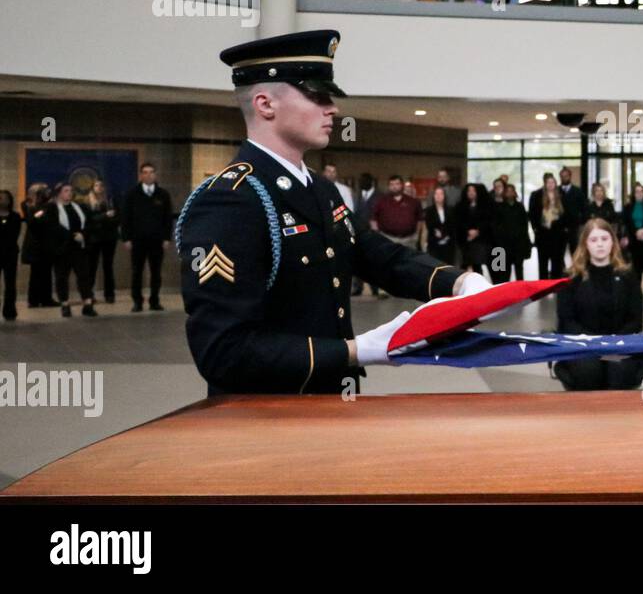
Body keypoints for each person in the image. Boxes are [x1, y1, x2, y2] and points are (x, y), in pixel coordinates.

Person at [176, 30, 488, 395]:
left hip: (329, 403)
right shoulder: (230, 200)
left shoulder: (320, 190)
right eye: (316, 95)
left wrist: (460, 283)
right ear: (265, 105)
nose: (333, 108)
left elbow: (376, 254)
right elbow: (222, 352)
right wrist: (356, 351)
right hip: (266, 419)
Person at [552, 219, 643, 391]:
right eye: (594, 240)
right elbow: (567, 321)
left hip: (618, 345)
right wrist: (594, 344)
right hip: (583, 347)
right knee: (589, 371)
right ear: (585, 244)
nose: (600, 244)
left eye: (604, 239)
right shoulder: (571, 278)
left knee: (619, 370)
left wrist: (611, 344)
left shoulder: (627, 276)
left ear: (613, 242)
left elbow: (635, 320)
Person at [120, 162, 172, 312]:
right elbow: (125, 218)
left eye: (151, 172)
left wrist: (167, 238)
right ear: (141, 175)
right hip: (137, 241)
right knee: (137, 272)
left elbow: (167, 218)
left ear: (155, 175)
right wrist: (126, 238)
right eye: (145, 172)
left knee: (156, 272)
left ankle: (154, 301)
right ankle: (137, 301)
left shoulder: (163, 194)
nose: (148, 175)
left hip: (157, 241)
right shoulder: (132, 194)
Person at [47, 183, 96, 318]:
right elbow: (53, 227)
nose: (69, 193)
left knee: (84, 276)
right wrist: (71, 236)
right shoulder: (52, 208)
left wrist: (83, 234)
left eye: (71, 191)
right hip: (62, 249)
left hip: (79, 248)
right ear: (59, 193)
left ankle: (87, 304)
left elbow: (89, 223)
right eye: (66, 191)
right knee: (62, 277)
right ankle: (65, 305)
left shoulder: (79, 207)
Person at [85, 179, 119, 304]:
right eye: (96, 185)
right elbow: (90, 220)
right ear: (92, 187)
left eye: (101, 185)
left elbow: (116, 217)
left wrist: (104, 219)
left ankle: (109, 294)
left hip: (109, 238)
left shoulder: (110, 201)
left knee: (108, 267)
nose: (99, 187)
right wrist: (105, 216)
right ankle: (89, 294)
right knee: (91, 267)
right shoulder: (88, 202)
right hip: (94, 239)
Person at [20, 183, 55, 307]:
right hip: (35, 243)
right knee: (36, 273)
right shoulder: (27, 204)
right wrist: (38, 214)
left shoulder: (49, 205)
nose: (48, 193)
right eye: (45, 191)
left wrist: (38, 215)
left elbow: (46, 220)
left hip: (46, 242)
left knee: (46, 272)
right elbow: (32, 221)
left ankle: (46, 299)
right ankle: (34, 300)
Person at [529, 173, 567, 279]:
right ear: (545, 184)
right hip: (543, 233)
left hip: (558, 234)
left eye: (552, 182)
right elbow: (532, 214)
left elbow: (566, 214)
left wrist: (564, 228)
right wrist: (535, 228)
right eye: (548, 182)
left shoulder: (562, 195)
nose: (550, 184)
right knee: (543, 262)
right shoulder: (537, 195)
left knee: (557, 262)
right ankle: (543, 284)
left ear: (555, 183)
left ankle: (556, 283)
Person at [490, 184, 531, 282]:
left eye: (511, 191)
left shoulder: (520, 207)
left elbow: (524, 225)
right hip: (504, 244)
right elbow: (496, 225)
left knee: (519, 269)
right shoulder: (499, 207)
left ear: (514, 193)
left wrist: (525, 242)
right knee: (504, 270)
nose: (509, 193)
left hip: (518, 243)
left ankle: (521, 289)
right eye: (507, 191)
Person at [621, 182, 643, 292]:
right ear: (634, 194)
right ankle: (637, 285)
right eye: (637, 192)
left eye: (641, 191)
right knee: (637, 264)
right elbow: (626, 223)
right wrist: (636, 233)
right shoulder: (628, 207)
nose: (639, 194)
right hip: (634, 238)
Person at [371, 175, 421, 255]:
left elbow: (419, 219)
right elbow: (373, 219)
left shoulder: (413, 202)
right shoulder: (381, 201)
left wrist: (416, 236)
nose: (394, 187)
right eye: (392, 184)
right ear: (389, 186)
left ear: (402, 185)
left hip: (409, 240)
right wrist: (378, 235)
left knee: (409, 264)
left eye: (397, 184)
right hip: (388, 239)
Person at [455, 183, 493, 276]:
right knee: (463, 267)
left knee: (477, 266)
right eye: (469, 191)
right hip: (465, 240)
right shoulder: (460, 206)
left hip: (479, 240)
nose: (471, 193)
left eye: (473, 190)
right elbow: (458, 222)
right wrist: (467, 232)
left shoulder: (484, 206)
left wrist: (477, 231)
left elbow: (487, 221)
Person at [0, 190, 21, 320]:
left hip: (10, 254)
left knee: (10, 284)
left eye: (4, 198)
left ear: (9, 201)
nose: (2, 201)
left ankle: (9, 311)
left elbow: (14, 235)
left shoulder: (15, 216)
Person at [558, 166, 587, 256]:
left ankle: (575, 269)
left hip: (574, 226)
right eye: (562, 176)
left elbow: (584, 208)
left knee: (574, 250)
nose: (564, 178)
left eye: (566, 176)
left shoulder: (578, 192)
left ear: (570, 176)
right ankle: (561, 269)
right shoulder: (556, 191)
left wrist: (580, 221)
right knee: (559, 251)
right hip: (559, 227)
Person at [423, 185, 456, 265]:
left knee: (448, 266)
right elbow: (429, 225)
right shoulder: (428, 210)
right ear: (433, 196)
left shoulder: (451, 210)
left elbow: (453, 225)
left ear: (444, 196)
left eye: (441, 194)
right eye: (436, 194)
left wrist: (445, 234)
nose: (438, 196)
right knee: (435, 266)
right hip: (434, 244)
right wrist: (436, 232)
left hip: (448, 244)